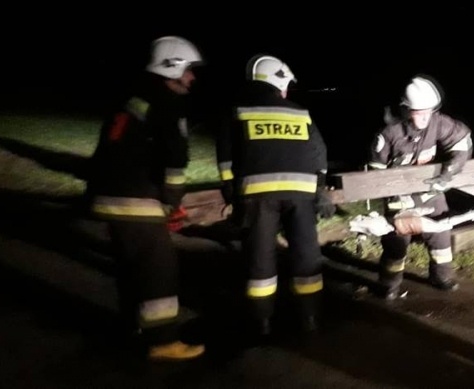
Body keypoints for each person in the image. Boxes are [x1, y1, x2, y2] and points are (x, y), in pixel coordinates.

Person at [86, 36, 205, 360]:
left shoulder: (133, 98)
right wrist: (173, 201)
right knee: (158, 269)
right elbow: (175, 157)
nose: (192, 78)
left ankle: (132, 327)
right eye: (189, 71)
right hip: (135, 196)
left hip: (106, 194)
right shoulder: (168, 103)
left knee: (130, 267)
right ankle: (164, 341)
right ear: (173, 68)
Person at [216, 54, 333, 337]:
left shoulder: (238, 110)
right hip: (302, 194)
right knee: (306, 254)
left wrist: (231, 190)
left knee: (260, 257)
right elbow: (319, 154)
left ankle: (261, 322)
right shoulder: (300, 112)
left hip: (257, 195)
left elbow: (226, 156)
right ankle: (309, 318)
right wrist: (320, 190)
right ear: (278, 82)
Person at [368, 75, 473, 300]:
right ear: (406, 110)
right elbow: (374, 172)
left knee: (441, 235)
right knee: (397, 241)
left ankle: (441, 276)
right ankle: (389, 284)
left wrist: (448, 174)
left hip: (431, 190)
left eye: (429, 111)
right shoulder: (389, 134)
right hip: (398, 195)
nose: (425, 117)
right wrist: (392, 196)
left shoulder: (439, 122)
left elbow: (462, 143)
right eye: (419, 112)